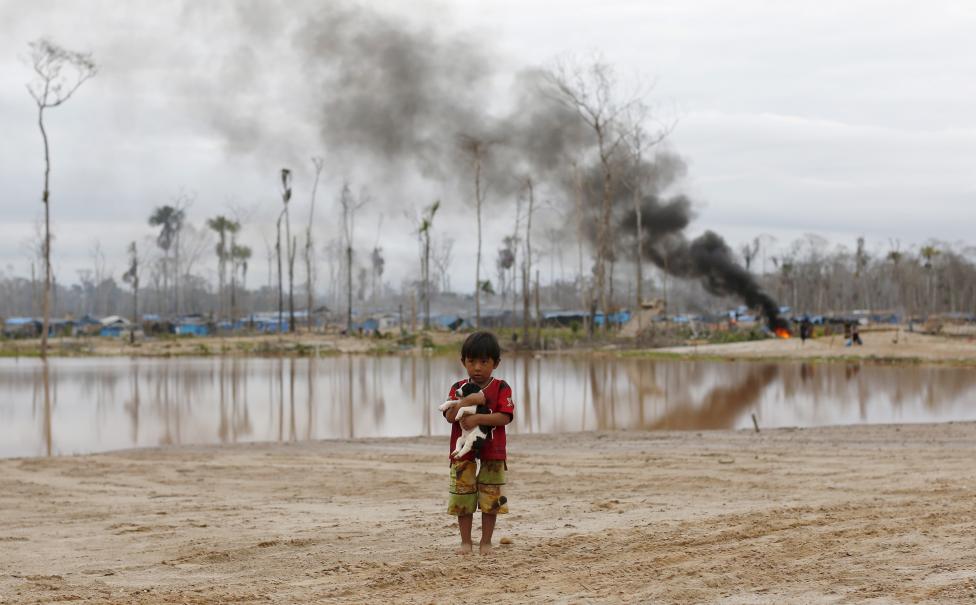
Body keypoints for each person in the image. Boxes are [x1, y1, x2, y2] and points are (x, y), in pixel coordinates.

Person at [442, 331, 515, 556]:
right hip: (462, 452)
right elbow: (450, 416)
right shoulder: (458, 388)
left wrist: (478, 418)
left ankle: (486, 541)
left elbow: (505, 417)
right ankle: (466, 542)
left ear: (496, 363)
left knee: (490, 497)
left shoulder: (501, 387)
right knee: (462, 495)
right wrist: (468, 400)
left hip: (493, 451)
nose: (477, 368)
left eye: (484, 362)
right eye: (471, 361)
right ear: (463, 362)